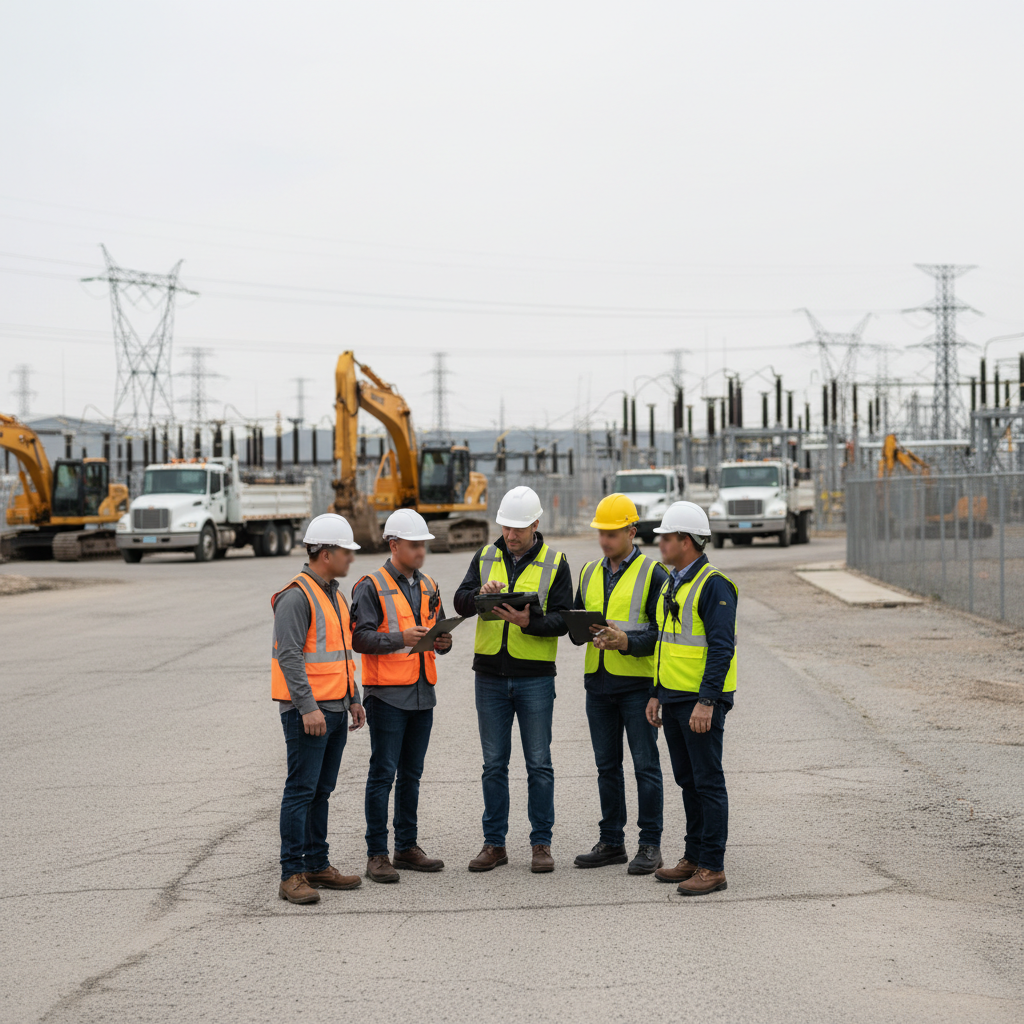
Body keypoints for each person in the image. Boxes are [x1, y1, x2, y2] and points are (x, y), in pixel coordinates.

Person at [596, 500, 737, 895]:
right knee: (688, 781)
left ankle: (713, 866)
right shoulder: (675, 581)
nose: (660, 542)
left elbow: (721, 649)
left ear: (687, 541)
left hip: (699, 701)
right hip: (673, 697)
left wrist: (707, 701)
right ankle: (693, 857)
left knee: (708, 782)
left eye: (667, 537)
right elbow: (665, 644)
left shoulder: (713, 585)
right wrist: (656, 693)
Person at [454, 486, 572, 874]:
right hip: (489, 676)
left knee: (539, 763)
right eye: (506, 527)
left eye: (519, 528)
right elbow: (459, 601)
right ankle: (495, 844)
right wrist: (478, 595)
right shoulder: (486, 555)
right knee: (493, 764)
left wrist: (529, 622)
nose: (511, 535)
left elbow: (564, 619)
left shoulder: (556, 562)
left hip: (534, 677)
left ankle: (541, 844)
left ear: (536, 524)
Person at [350, 508, 452, 883]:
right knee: (383, 775)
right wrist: (398, 639)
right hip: (388, 695)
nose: (421, 552)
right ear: (394, 545)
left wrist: (444, 641)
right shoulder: (370, 585)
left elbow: (439, 633)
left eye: (423, 546)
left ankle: (406, 847)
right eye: (414, 546)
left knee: (412, 775)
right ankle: (377, 853)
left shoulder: (429, 585)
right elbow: (360, 638)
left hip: (423, 693)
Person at [570, 493, 668, 875]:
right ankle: (612, 841)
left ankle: (650, 844)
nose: (605, 540)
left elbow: (662, 635)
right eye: (601, 533)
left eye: (612, 533)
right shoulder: (590, 571)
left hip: (637, 685)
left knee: (645, 766)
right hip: (598, 683)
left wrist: (625, 642)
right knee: (606, 766)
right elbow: (579, 623)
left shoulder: (653, 574)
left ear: (631, 530)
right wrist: (579, 629)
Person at [271, 513, 366, 905]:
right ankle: (291, 873)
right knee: (301, 791)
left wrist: (354, 698)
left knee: (321, 791)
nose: (351, 559)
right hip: (307, 713)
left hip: (335, 708)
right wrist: (307, 707)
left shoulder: (333, 593)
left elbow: (341, 653)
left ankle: (317, 864)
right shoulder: (296, 596)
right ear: (325, 553)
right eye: (346, 552)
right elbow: (289, 656)